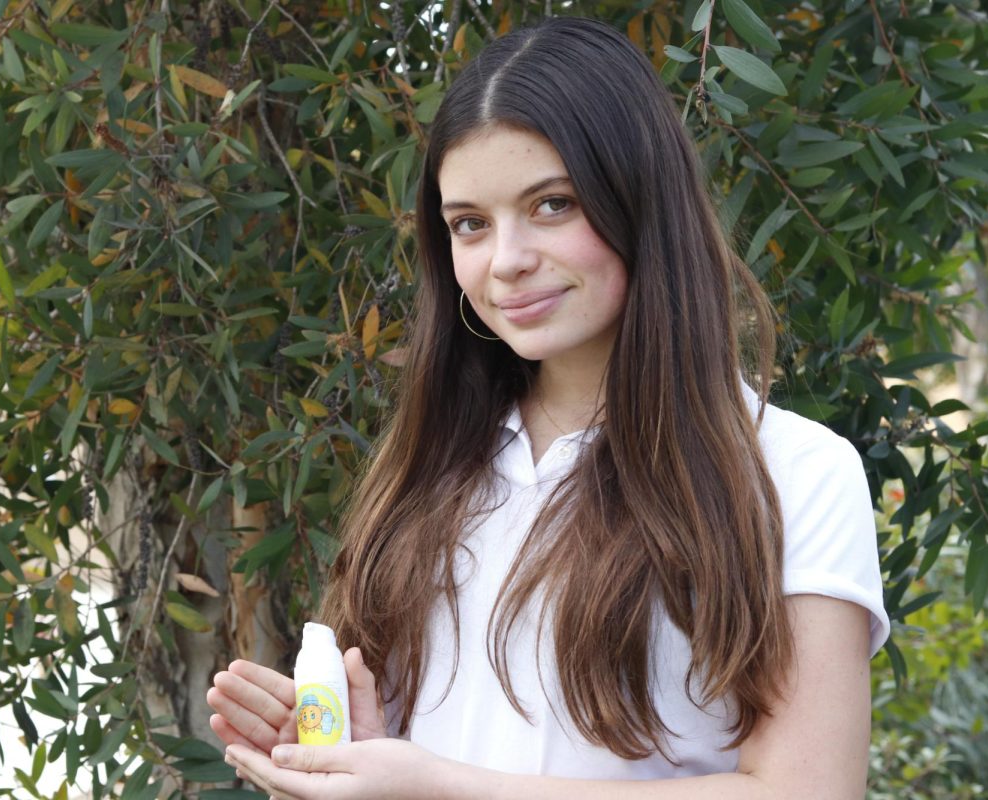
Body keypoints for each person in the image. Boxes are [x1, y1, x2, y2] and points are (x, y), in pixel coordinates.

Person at [206, 17, 889, 799]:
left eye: (553, 205)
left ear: (639, 201)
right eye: (470, 223)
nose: (508, 260)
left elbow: (806, 791)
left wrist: (436, 784)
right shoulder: (430, 466)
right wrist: (354, 755)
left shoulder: (792, 471)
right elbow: (422, 763)